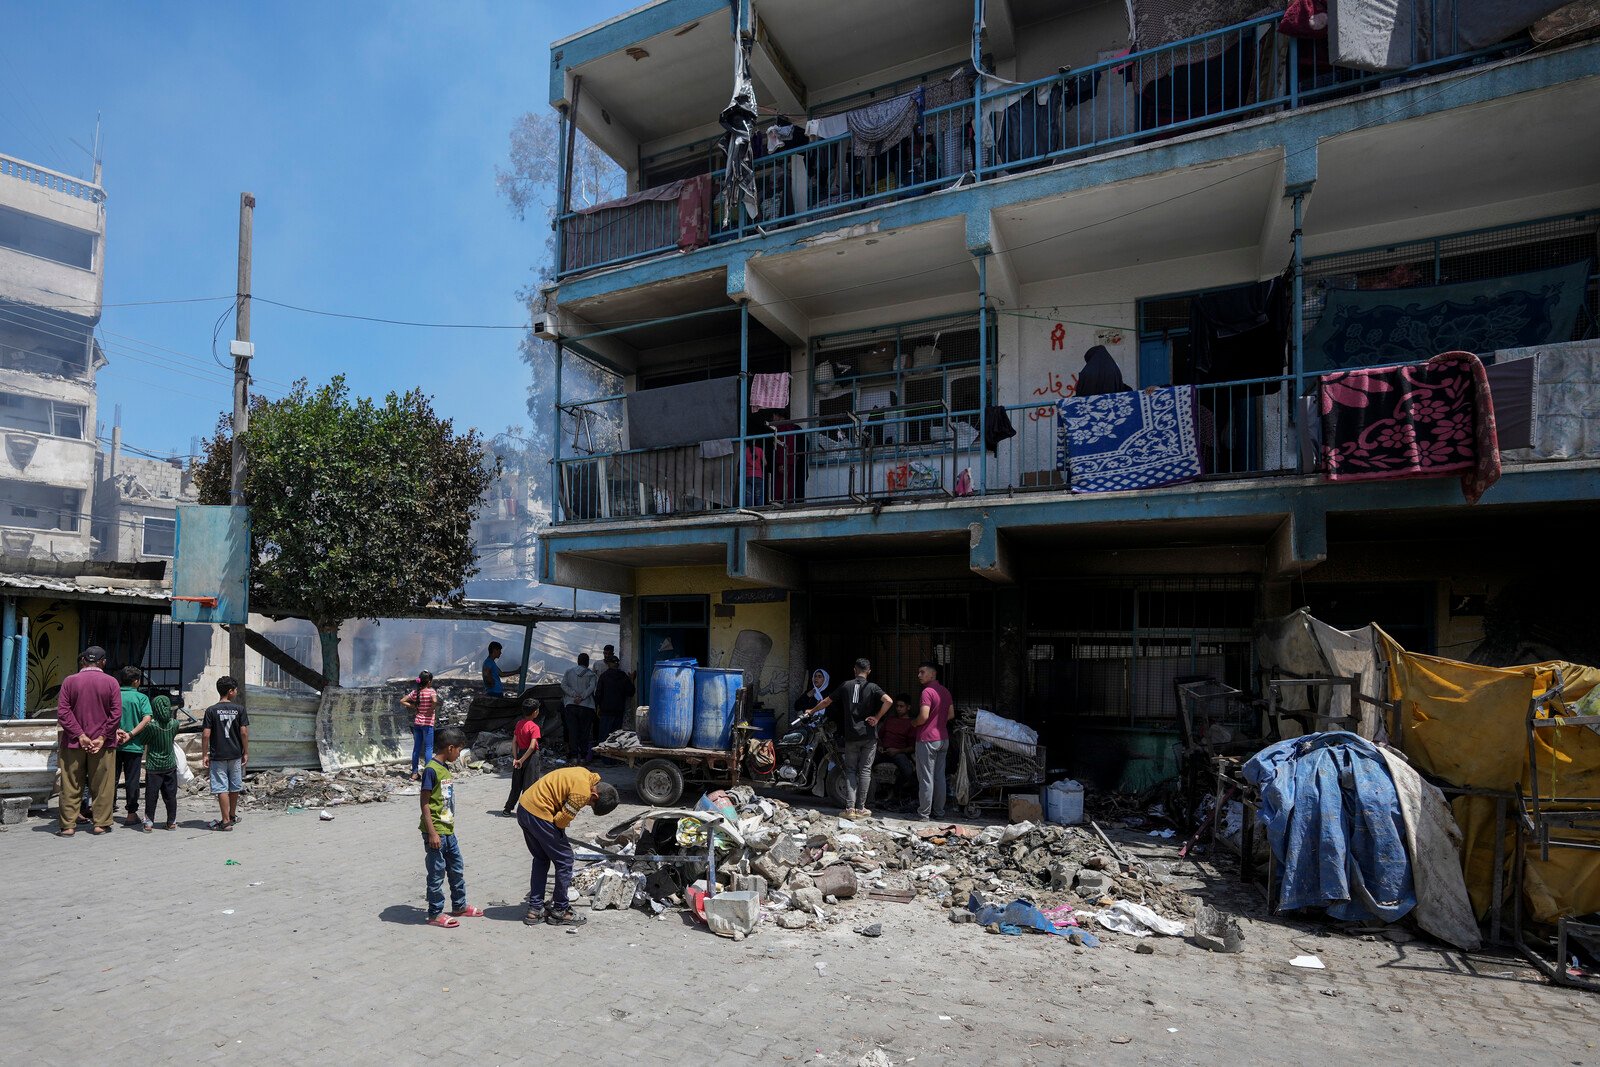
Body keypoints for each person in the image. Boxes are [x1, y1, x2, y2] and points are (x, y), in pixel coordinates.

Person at [516, 766, 619, 927]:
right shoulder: (582, 793)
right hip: (539, 813)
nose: (587, 805)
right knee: (565, 859)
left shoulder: (584, 774)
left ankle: (534, 910)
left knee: (541, 858)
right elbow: (560, 821)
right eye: (591, 804)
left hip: (525, 808)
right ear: (594, 795)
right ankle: (560, 910)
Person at [801, 657, 891, 819]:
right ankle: (861, 808)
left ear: (854, 670)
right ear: (868, 671)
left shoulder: (846, 686)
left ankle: (849, 809)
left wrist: (811, 711)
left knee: (850, 770)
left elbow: (826, 702)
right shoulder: (873, 687)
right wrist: (877, 718)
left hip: (851, 736)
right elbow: (888, 701)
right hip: (869, 736)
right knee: (865, 770)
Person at [418, 727, 483, 928]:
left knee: (456, 869)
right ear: (450, 747)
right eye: (459, 750)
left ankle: (459, 906)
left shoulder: (444, 767)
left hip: (449, 831)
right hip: (436, 832)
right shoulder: (431, 769)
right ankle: (435, 913)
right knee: (437, 873)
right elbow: (425, 803)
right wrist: (432, 833)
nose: (459, 754)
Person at [56, 646, 124, 836]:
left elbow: (63, 712)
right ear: (103, 662)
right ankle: (100, 824)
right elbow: (116, 714)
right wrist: (102, 737)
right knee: (102, 784)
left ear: (83, 661)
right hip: (103, 744)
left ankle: (68, 825)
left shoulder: (70, 681)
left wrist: (80, 735)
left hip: (73, 743)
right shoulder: (111, 683)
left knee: (70, 783)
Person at [202, 676, 249, 831]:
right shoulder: (240, 709)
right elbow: (244, 733)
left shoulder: (211, 710)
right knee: (235, 786)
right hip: (235, 754)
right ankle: (232, 815)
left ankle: (226, 821)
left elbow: (206, 735)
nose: (236, 692)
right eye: (235, 690)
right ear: (230, 691)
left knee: (221, 787)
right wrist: (245, 752)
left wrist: (204, 754)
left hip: (218, 755)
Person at [913, 661, 953, 821]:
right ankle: (939, 812)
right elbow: (950, 715)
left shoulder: (927, 692)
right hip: (943, 738)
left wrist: (914, 723)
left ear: (932, 674)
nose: (919, 675)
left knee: (926, 777)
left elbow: (923, 716)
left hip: (927, 739)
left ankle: (924, 813)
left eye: (922, 672)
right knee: (939, 777)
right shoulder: (945, 691)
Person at [115, 667, 154, 828]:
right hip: (134, 746)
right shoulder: (141, 698)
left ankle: (106, 812)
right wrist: (131, 734)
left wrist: (116, 731)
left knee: (111, 779)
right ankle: (131, 814)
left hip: (114, 744)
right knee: (132, 781)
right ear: (136, 681)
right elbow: (147, 718)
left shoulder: (114, 695)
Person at [140, 692, 183, 831]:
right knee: (170, 795)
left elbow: (143, 740)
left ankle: (149, 823)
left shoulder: (152, 726)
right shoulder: (175, 724)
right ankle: (171, 822)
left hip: (154, 765)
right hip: (170, 764)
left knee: (151, 796)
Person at [877, 694, 920, 808]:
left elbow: (913, 746)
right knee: (865, 763)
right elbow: (879, 737)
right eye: (897, 706)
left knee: (908, 771)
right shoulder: (889, 720)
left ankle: (896, 795)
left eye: (902, 706)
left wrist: (898, 751)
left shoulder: (911, 723)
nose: (899, 708)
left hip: (899, 752)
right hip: (883, 751)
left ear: (908, 707)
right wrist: (880, 746)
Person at [501, 701, 542, 817]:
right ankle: (526, 811)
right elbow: (532, 746)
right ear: (535, 712)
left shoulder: (519, 723)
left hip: (520, 755)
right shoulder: (534, 727)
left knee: (516, 785)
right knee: (529, 785)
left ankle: (507, 809)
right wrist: (522, 760)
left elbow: (514, 742)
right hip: (531, 758)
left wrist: (516, 758)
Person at [400, 670, 439, 781]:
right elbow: (435, 701)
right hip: (427, 724)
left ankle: (414, 773)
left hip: (417, 723)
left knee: (416, 749)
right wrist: (431, 710)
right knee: (428, 749)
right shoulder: (431, 691)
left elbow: (402, 700)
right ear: (429, 682)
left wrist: (413, 707)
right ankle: (428, 775)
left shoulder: (416, 692)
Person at [560, 653, 598, 762]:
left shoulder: (568, 672)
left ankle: (574, 757)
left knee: (573, 731)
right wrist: (581, 697)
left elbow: (563, 685)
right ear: (587, 662)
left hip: (571, 706)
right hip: (587, 706)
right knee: (584, 732)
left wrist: (573, 695)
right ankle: (584, 756)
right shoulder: (591, 675)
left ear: (577, 661)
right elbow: (591, 688)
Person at [594, 656, 635, 741]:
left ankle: (603, 753)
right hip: (618, 711)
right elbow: (630, 692)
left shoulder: (604, 676)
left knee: (604, 737)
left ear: (608, 664)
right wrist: (631, 680)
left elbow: (598, 693)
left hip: (606, 711)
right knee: (616, 737)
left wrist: (597, 706)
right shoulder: (623, 676)